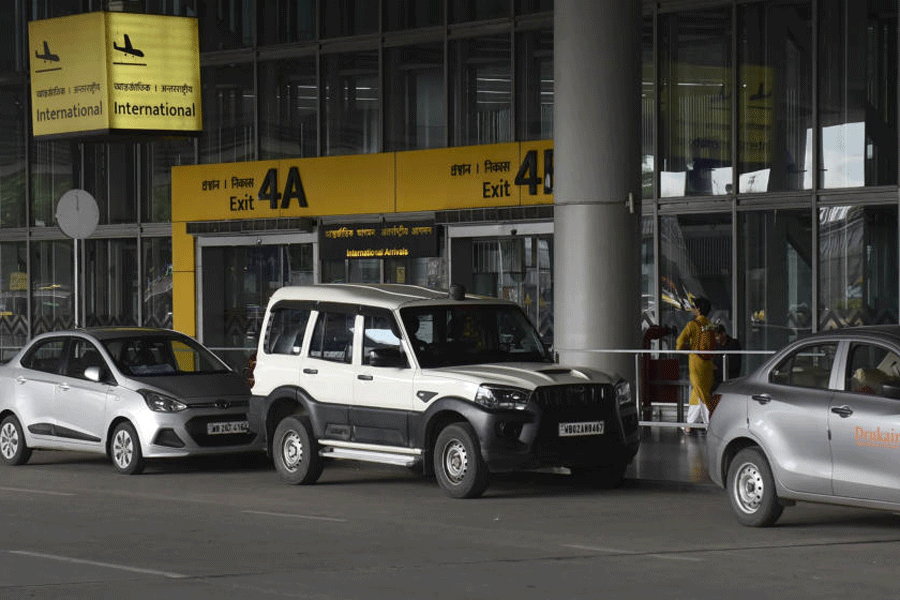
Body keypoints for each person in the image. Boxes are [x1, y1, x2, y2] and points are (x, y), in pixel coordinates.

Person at [676, 296, 716, 434]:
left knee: (702, 394)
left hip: (696, 364)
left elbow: (679, 344)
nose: (693, 310)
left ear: (698, 309)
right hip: (708, 365)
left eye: (694, 307)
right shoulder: (711, 325)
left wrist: (691, 348)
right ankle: (689, 425)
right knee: (697, 393)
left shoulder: (692, 325)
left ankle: (710, 424)